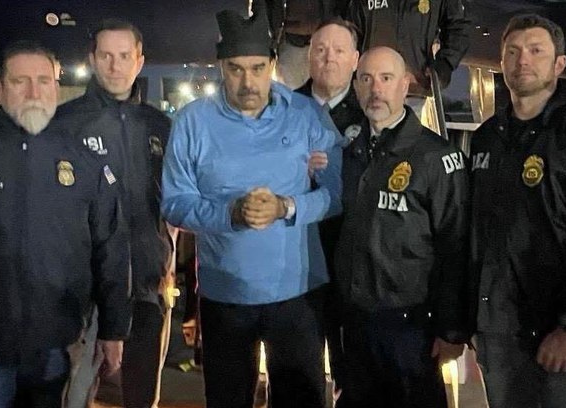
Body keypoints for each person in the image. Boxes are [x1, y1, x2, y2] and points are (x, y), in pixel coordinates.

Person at [0, 41, 132, 408]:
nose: (34, 93)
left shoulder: (84, 163)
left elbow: (110, 249)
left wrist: (114, 329)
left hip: (56, 346)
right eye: (20, 82)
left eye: (44, 81)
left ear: (56, 87)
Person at [160, 1, 343, 406]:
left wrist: (286, 207)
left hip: (297, 294)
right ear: (220, 67)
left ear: (273, 65)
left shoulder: (306, 115)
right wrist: (230, 212)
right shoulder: (192, 122)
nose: (248, 82)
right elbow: (175, 204)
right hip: (224, 295)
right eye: (236, 69)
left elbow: (335, 195)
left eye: (258, 68)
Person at [334, 46, 471, 407]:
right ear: (355, 86)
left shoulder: (436, 157)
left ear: (406, 84)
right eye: (366, 79)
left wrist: (452, 328)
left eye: (386, 78)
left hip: (411, 328)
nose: (375, 89)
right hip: (357, 323)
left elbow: (455, 246)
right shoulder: (348, 151)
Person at [56, 19, 173, 408]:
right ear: (92, 60)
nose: (115, 65)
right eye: (105, 55)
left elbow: (176, 200)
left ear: (139, 61)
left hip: (147, 284)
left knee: (142, 397)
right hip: (86, 290)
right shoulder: (65, 123)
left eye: (124, 56)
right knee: (75, 395)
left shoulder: (160, 125)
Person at [469, 14, 566, 408]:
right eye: (512, 52)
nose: (522, 60)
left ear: (559, 64)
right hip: (497, 332)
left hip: (556, 337)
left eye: (535, 51)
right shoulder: (486, 138)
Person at [294, 17, 363, 396]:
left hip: (353, 262)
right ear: (308, 56)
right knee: (296, 376)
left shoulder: (372, 110)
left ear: (355, 59)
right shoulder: (284, 108)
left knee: (352, 374)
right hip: (296, 260)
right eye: (320, 50)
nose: (328, 58)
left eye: (338, 50)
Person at [343, 0, 471, 93]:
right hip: (369, 90)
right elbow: (346, 32)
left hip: (414, 88)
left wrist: (445, 64)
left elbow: (458, 26)